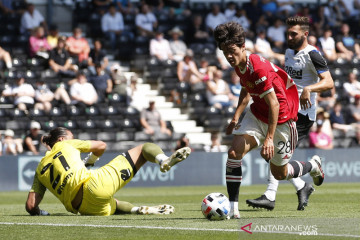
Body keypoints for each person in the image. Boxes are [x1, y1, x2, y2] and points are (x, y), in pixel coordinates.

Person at [213, 21, 325, 219]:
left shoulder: (258, 67)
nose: (229, 56)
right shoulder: (240, 65)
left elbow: (274, 105)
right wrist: (236, 117)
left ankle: (313, 166)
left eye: (232, 50)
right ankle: (233, 208)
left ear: (242, 47)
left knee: (280, 173)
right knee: (234, 152)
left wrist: (269, 138)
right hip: (258, 114)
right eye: (224, 52)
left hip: (282, 119)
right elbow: (246, 89)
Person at [246, 16, 334, 212]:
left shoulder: (313, 54)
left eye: (293, 33)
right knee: (272, 153)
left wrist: (309, 89)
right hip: (286, 109)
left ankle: (275, 192)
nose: (289, 36)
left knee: (275, 154)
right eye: (288, 33)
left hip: (302, 115)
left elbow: (329, 82)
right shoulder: (287, 52)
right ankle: (302, 185)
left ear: (305, 34)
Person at [25, 127, 191, 216]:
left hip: (84, 208)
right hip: (93, 185)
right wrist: (89, 162)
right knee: (145, 148)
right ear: (61, 139)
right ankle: (164, 160)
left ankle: (136, 210)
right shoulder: (65, 144)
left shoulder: (40, 168)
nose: (73, 139)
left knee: (114, 203)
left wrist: (42, 213)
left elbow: (31, 205)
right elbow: (101, 146)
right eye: (71, 136)